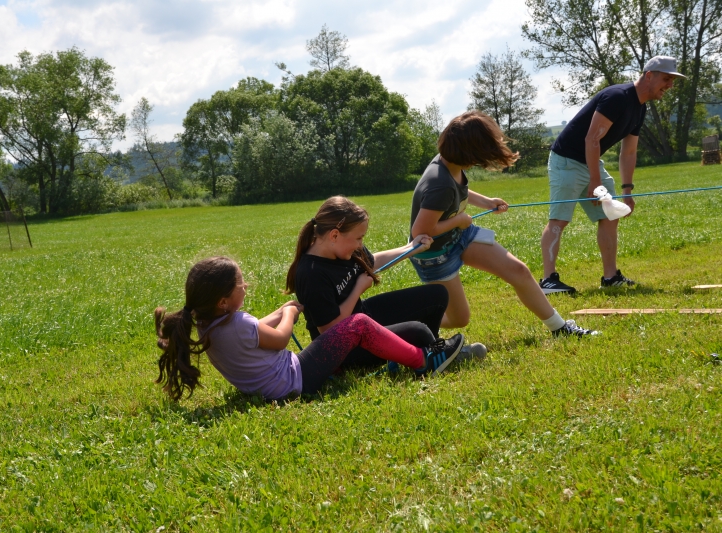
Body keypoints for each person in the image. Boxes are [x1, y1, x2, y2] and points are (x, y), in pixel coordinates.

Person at [154, 257, 472, 402]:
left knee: (363, 331)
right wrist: (290, 314)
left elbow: (253, 332)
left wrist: (280, 310)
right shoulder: (236, 322)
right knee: (358, 325)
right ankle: (424, 361)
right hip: (296, 380)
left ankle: (407, 354)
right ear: (223, 301)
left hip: (276, 386)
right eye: (241, 284)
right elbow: (279, 340)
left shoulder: (207, 324)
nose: (246, 285)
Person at [408, 110, 596, 337]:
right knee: (459, 319)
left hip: (459, 236)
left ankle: (559, 328)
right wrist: (459, 220)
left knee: (519, 270)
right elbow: (420, 232)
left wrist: (486, 202)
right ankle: (409, 322)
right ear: (469, 151)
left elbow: (458, 193)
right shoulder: (439, 183)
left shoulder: (449, 165)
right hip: (435, 255)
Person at [285, 196, 486, 370]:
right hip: (344, 349)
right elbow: (331, 330)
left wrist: (411, 248)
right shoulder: (311, 273)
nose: (360, 244)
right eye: (358, 238)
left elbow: (373, 262)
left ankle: (430, 352)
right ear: (334, 235)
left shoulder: (342, 248)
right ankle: (435, 357)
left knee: (437, 295)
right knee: (418, 330)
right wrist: (357, 290)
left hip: (363, 317)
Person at [539, 56, 685, 294]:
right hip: (566, 160)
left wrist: (627, 190)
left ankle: (610, 277)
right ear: (649, 75)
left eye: (672, 81)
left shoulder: (640, 108)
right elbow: (592, 138)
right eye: (666, 79)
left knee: (610, 214)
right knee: (560, 219)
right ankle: (548, 281)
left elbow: (629, 152)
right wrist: (595, 181)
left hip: (591, 161)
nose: (669, 85)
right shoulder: (617, 97)